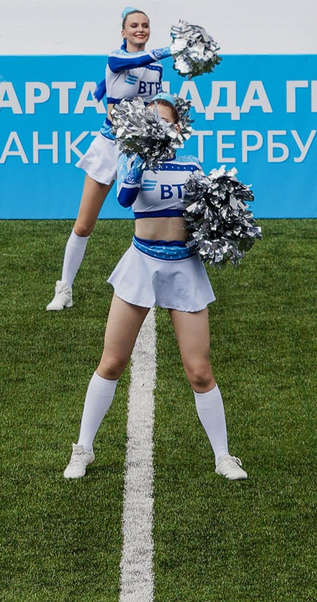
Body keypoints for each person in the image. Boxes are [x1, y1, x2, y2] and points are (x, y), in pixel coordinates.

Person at [63, 97, 246, 483]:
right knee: (112, 363)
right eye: (151, 121)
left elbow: (204, 217)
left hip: (185, 268)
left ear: (178, 128)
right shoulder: (131, 160)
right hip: (141, 264)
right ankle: (83, 448)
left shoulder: (193, 165)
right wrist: (139, 160)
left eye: (164, 121)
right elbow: (124, 198)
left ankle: (223, 456)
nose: (157, 127)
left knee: (199, 371)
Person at [47, 7, 176, 311]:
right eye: (134, 25)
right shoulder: (116, 57)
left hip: (139, 149)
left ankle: (158, 284)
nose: (140, 29)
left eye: (145, 25)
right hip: (109, 147)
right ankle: (64, 289)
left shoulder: (157, 68)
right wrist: (170, 49)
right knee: (84, 224)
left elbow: (151, 105)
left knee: (151, 222)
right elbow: (128, 63)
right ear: (123, 31)